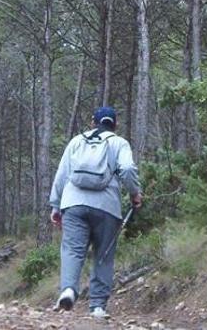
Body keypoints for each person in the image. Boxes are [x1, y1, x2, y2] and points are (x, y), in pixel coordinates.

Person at [48, 106, 143, 319]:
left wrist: (55, 205)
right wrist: (135, 193)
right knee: (104, 254)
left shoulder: (76, 141)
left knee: (73, 249)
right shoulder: (119, 143)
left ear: (93, 122)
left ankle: (69, 290)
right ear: (115, 124)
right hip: (107, 206)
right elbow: (127, 169)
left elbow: (62, 174)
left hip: (73, 203)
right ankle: (98, 306)